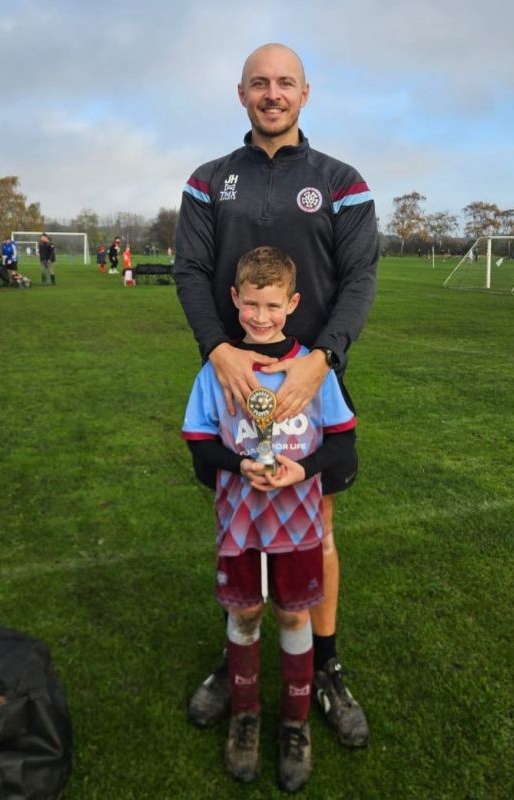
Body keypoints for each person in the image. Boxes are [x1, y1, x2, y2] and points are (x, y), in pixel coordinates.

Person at [174, 42, 377, 748]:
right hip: (231, 377)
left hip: (311, 375)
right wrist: (218, 350)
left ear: (305, 93)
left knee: (314, 526)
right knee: (240, 519)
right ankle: (239, 661)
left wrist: (323, 361)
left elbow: (359, 280)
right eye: (259, 83)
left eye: (284, 82)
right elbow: (192, 270)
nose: (272, 93)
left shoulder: (340, 180)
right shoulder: (208, 180)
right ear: (240, 94)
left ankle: (324, 666)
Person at [182, 246, 356, 791]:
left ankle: (295, 722)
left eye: (272, 305)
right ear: (234, 300)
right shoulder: (219, 370)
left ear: (293, 303)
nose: (261, 316)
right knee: (246, 613)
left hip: (297, 524)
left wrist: (299, 470)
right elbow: (198, 441)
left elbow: (342, 441)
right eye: (251, 304)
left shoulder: (312, 370)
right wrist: (239, 465)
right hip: (240, 523)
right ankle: (246, 715)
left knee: (292, 617)